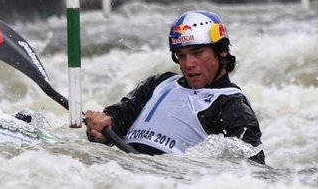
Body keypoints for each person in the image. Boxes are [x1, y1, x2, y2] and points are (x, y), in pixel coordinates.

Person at [85, 10, 265, 164]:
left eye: (197, 53)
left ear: (222, 51)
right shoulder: (159, 83)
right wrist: (105, 124)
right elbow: (121, 115)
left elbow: (251, 170)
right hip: (119, 167)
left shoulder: (232, 105)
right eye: (181, 55)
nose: (188, 64)